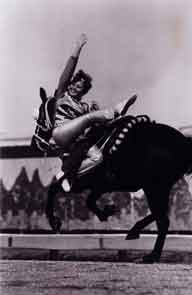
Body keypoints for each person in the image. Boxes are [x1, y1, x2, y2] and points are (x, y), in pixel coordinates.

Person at [52, 34, 136, 191]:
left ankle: (67, 174)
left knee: (98, 157)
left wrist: (103, 119)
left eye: (79, 87)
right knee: (90, 117)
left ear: (83, 92)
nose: (74, 87)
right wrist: (77, 48)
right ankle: (116, 109)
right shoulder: (61, 95)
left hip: (76, 143)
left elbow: (92, 129)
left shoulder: (83, 106)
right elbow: (67, 73)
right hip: (60, 134)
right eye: (74, 84)